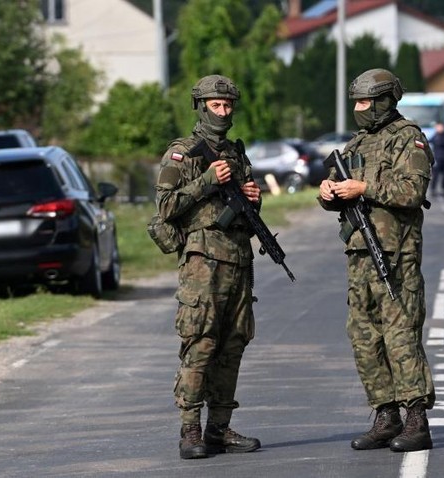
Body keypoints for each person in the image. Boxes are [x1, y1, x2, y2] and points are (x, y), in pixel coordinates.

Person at [318, 68, 435, 453]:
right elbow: (337, 194)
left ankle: (416, 419)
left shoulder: (408, 139)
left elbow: (412, 192)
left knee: (401, 336)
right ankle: (386, 415)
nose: (359, 109)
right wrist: (329, 193)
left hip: (396, 253)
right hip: (359, 254)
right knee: (364, 337)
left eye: (365, 102)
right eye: (356, 102)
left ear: (385, 101)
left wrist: (366, 187)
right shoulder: (356, 145)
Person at [154, 74, 262, 460]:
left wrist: (253, 198)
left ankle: (219, 427)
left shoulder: (236, 153)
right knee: (200, 344)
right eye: (216, 105)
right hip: (202, 263)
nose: (223, 111)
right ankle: (190, 430)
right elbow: (165, 207)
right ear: (200, 107)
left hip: (238, 260)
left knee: (233, 344)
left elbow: (245, 215)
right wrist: (204, 181)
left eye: (228, 105)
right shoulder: (183, 153)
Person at [429, 121, 444, 196]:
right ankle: (433, 189)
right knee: (435, 175)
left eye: (441, 127)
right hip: (437, 158)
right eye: (438, 127)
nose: (440, 129)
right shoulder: (434, 137)